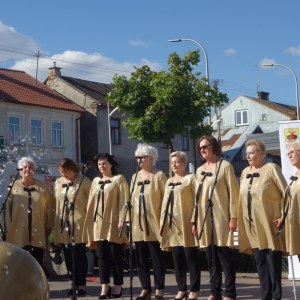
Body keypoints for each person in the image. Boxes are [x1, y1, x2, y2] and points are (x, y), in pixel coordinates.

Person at [238, 140, 287, 300]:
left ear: (261, 153)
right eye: (247, 153)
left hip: (270, 223)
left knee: (273, 262)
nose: (247, 155)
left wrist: (282, 215)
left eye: (251, 152)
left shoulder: (272, 168)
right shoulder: (245, 172)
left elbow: (286, 194)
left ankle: (276, 296)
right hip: (253, 225)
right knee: (260, 262)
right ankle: (265, 296)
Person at [192, 136, 239, 300]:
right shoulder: (199, 170)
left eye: (205, 146)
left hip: (221, 217)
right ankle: (215, 292)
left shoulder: (225, 166)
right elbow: (197, 198)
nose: (202, 150)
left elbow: (234, 193)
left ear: (214, 147)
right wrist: (195, 220)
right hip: (205, 219)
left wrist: (234, 217)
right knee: (211, 258)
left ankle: (230, 293)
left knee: (225, 257)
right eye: (200, 148)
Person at [83, 153, 129, 299]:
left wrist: (123, 219)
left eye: (104, 163)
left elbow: (124, 201)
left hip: (114, 223)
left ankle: (118, 286)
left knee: (116, 256)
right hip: (98, 223)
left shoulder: (119, 179)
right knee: (102, 256)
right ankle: (104, 286)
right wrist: (89, 222)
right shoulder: (95, 181)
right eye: (99, 164)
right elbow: (91, 203)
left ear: (111, 164)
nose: (101, 166)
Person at [160, 151, 200, 300]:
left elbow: (198, 201)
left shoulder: (191, 178)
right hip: (172, 225)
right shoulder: (169, 181)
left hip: (187, 223)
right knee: (177, 259)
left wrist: (195, 221)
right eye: (172, 163)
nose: (174, 165)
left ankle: (194, 290)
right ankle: (181, 289)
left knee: (191, 258)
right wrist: (162, 223)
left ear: (184, 163)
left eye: (177, 162)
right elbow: (165, 203)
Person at [129, 143, 167, 300]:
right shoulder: (134, 177)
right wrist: (129, 225)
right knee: (141, 259)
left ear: (151, 159)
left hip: (154, 224)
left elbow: (166, 200)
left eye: (142, 157)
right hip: (138, 225)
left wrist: (163, 223)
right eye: (137, 158)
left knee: (157, 259)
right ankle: (145, 289)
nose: (139, 160)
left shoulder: (159, 175)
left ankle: (159, 289)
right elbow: (130, 201)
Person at [3, 156, 54, 266]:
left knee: (37, 261)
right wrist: (8, 227)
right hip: (18, 229)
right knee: (17, 260)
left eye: (30, 167)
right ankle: (18, 283)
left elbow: (50, 207)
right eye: (24, 167)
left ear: (34, 170)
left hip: (38, 228)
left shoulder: (42, 186)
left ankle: (36, 283)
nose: (27, 169)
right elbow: (6, 208)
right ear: (20, 170)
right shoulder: (12, 186)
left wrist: (48, 225)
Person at [53, 158, 91, 297]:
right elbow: (55, 203)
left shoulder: (83, 181)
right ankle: (72, 284)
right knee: (67, 256)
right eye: (61, 172)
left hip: (79, 223)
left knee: (79, 255)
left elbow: (92, 201)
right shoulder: (57, 183)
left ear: (73, 169)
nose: (63, 174)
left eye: (66, 172)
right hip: (63, 223)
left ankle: (82, 285)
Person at [274, 138, 300, 257]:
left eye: (292, 152)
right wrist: (283, 217)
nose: (289, 156)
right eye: (288, 153)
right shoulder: (295, 175)